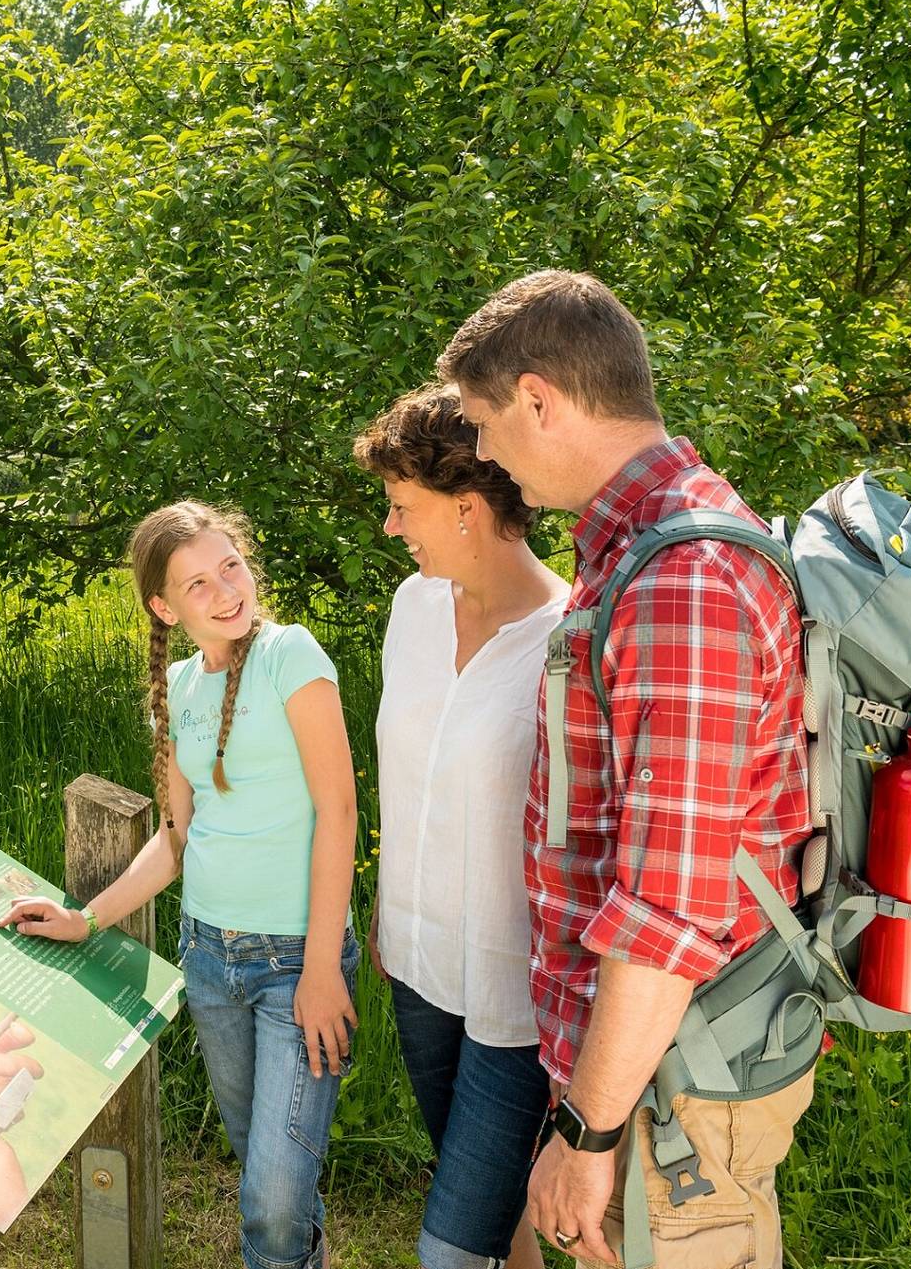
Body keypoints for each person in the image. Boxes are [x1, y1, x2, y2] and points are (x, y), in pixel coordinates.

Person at [437, 270, 811, 1268]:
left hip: (675, 1085)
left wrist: (589, 1133)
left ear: (538, 400)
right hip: (660, 1064)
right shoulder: (643, 545)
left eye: (484, 424)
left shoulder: (683, 580)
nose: (483, 452)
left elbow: (669, 906)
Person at [0, 500, 359, 1269]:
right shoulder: (179, 690)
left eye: (231, 565)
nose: (226, 590)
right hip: (209, 959)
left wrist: (324, 967)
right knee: (267, 1168)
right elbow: (174, 839)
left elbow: (339, 810)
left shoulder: (290, 654)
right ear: (165, 607)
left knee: (273, 1196)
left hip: (298, 959)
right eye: (198, 583)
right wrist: (84, 919)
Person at [352, 384, 571, 1269]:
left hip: (518, 995)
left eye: (403, 506)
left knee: (450, 1250)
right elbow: (412, 779)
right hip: (415, 962)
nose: (392, 526)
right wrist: (386, 904)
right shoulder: (413, 607)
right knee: (496, 1214)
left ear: (468, 510)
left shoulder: (568, 638)